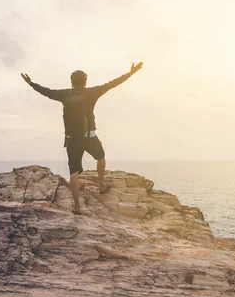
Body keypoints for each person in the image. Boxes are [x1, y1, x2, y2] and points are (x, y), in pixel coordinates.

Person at [21, 62, 143, 213]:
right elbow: (112, 84)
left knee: (73, 172)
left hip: (72, 138)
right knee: (101, 157)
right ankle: (100, 185)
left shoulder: (64, 94)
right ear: (85, 81)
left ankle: (77, 206)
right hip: (89, 136)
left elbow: (47, 92)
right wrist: (131, 73)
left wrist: (31, 83)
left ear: (72, 82)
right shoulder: (92, 92)